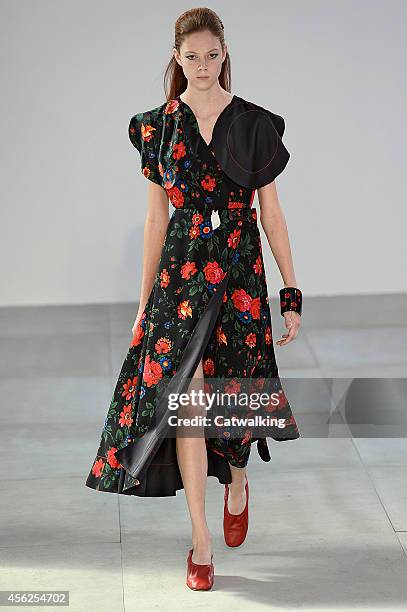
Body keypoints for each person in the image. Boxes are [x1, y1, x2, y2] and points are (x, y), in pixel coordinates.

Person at [85, 7, 302, 591]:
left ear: (224, 53)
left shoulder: (256, 124)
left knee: (235, 400)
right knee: (189, 403)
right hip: (180, 277)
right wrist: (141, 303)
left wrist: (290, 288)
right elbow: (156, 219)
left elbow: (271, 214)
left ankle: (237, 481)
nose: (202, 65)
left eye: (212, 54)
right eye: (192, 56)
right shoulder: (156, 128)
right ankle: (201, 544)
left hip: (238, 271)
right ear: (176, 59)